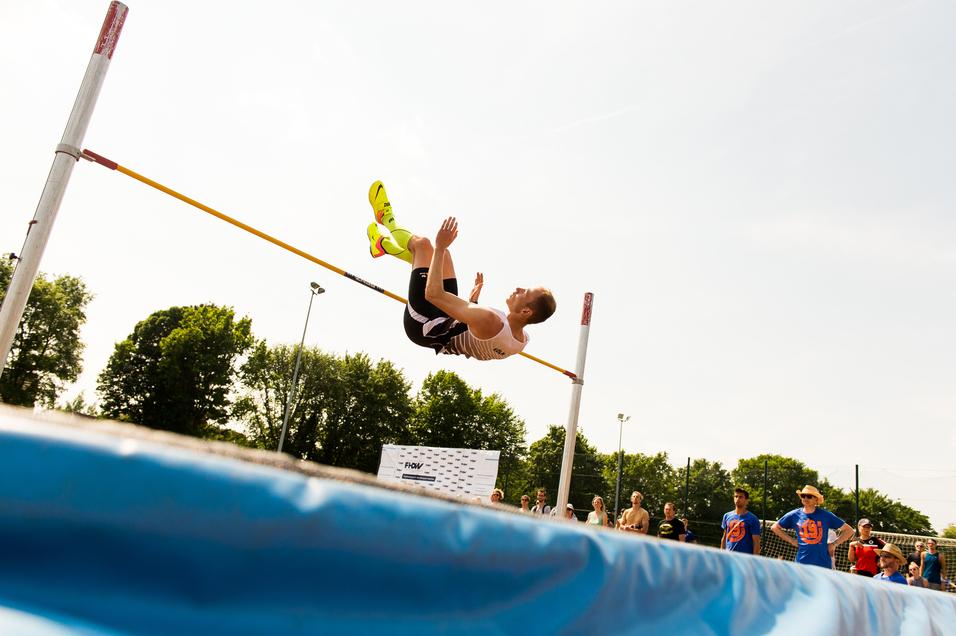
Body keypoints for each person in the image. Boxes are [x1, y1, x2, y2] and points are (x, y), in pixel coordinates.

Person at [367, 183, 556, 360]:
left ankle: (385, 217)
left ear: (525, 311)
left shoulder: (489, 319)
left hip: (424, 326)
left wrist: (439, 246)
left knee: (424, 246)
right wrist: (472, 303)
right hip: (447, 321)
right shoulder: (521, 341)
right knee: (443, 258)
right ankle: (382, 246)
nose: (519, 288)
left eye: (525, 292)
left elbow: (433, 294)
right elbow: (475, 340)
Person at [770, 485, 853, 569]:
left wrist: (834, 544)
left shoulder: (826, 515)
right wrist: (791, 540)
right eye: (803, 496)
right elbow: (774, 527)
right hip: (801, 564)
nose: (805, 498)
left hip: (823, 565)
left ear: (816, 499)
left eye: (809, 496)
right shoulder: (794, 515)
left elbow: (849, 531)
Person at [721, 487, 762, 555]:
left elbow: (756, 542)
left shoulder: (753, 519)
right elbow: (724, 537)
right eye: (736, 496)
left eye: (740, 497)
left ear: (746, 500)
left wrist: (754, 561)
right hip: (728, 556)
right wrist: (721, 555)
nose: (737, 499)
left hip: (745, 559)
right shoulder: (727, 516)